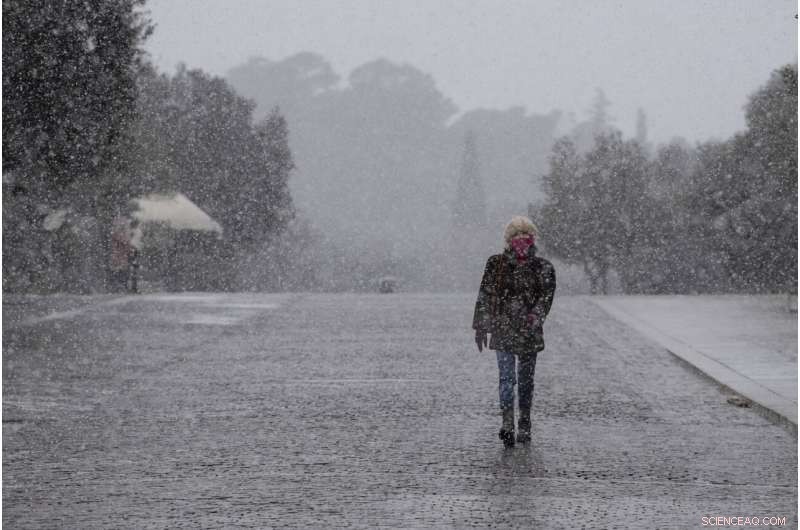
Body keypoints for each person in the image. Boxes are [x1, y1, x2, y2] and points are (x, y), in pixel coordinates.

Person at [472, 216, 556, 447]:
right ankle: (507, 423)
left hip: (529, 332)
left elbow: (546, 297)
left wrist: (535, 316)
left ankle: (525, 422)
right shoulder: (495, 264)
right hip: (503, 330)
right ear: (508, 239)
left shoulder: (543, 267)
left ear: (532, 238)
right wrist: (481, 326)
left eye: (525, 234)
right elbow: (485, 296)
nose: (521, 238)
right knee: (506, 379)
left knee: (527, 380)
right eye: (516, 234)